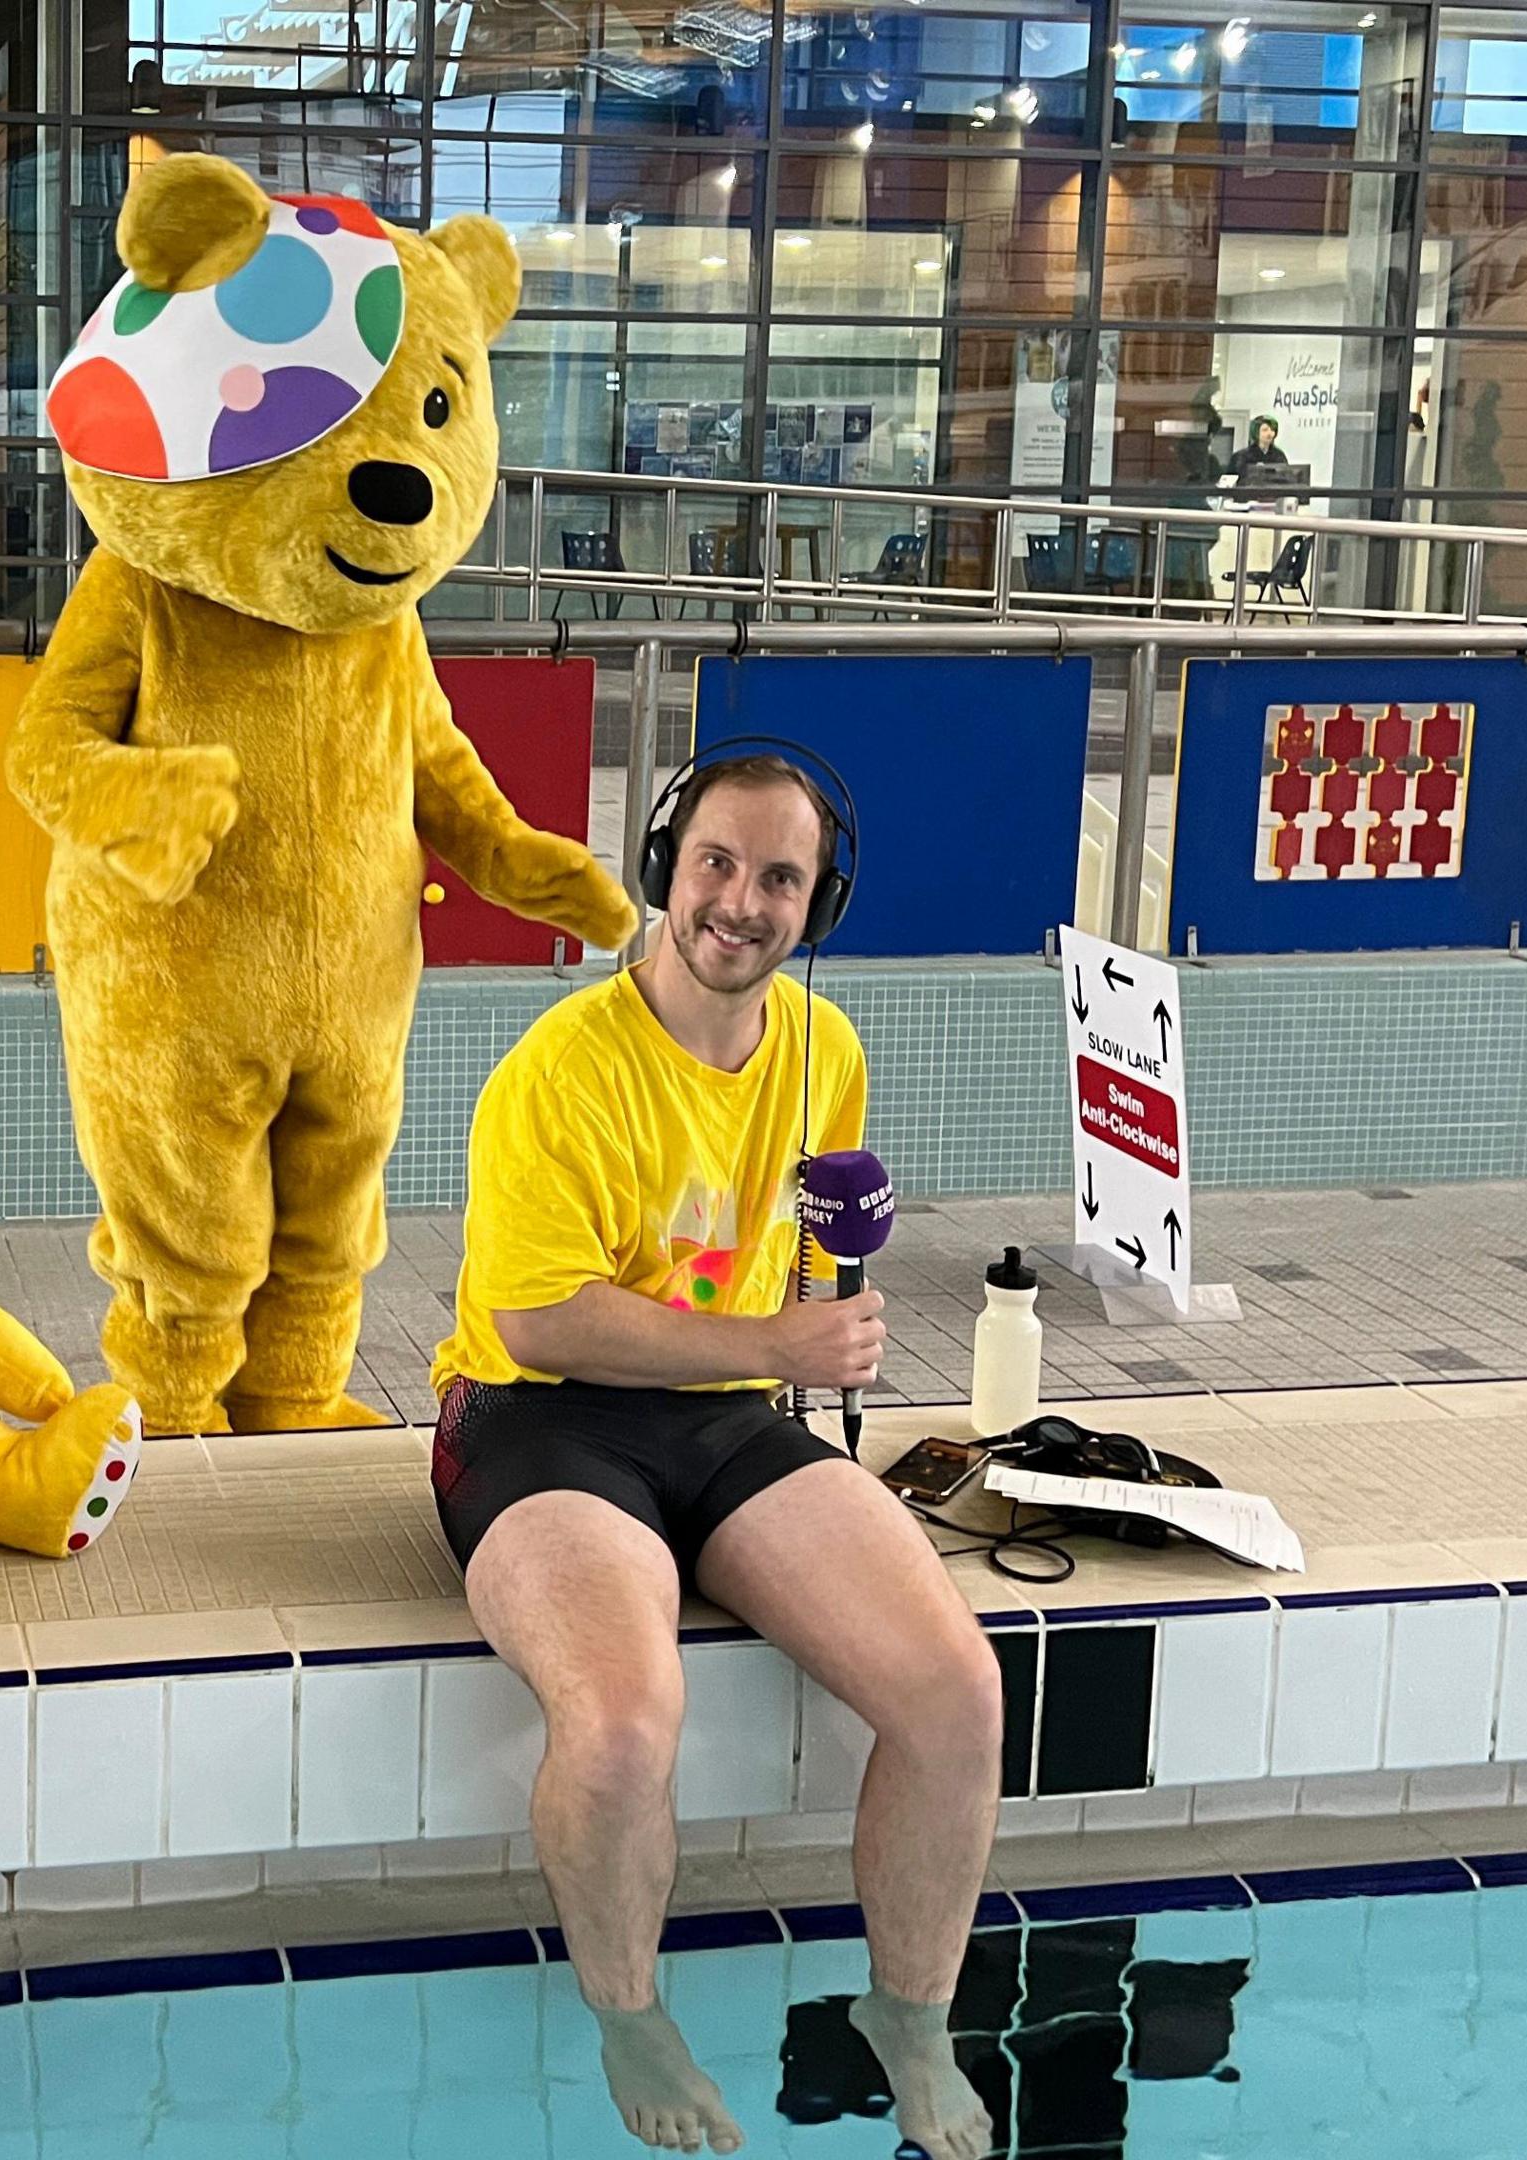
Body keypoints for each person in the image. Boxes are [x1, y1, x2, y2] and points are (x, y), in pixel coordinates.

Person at [428, 747, 1007, 2159]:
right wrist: (781, 1341)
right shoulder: (560, 1070)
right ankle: (630, 2010)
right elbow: (541, 1315)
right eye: (717, 864)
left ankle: (910, 2016)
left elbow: (800, 1279)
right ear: (665, 869)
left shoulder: (826, 1053)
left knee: (958, 1693)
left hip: (729, 1412)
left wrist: (828, 1318)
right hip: (535, 1415)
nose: (740, 903)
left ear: (823, 902)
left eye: (780, 878)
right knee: (627, 1721)